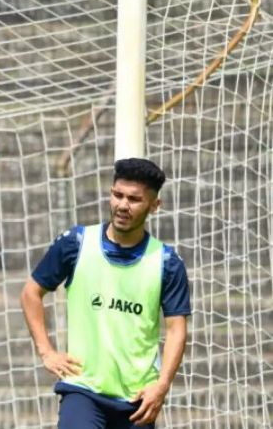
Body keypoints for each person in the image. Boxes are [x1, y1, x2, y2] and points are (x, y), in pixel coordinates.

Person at [20, 158, 190, 428]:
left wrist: (162, 385)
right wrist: (47, 352)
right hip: (82, 390)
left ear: (154, 206)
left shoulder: (167, 262)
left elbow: (176, 329)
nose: (123, 205)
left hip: (137, 400)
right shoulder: (76, 243)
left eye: (134, 199)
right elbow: (31, 292)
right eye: (117, 195)